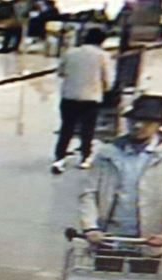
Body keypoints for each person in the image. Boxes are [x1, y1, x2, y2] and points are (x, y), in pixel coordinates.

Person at [79, 95, 162, 251]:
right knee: (104, 272)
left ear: (159, 125)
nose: (138, 126)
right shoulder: (107, 153)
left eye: (147, 122)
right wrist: (90, 227)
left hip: (149, 238)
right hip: (108, 237)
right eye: (133, 120)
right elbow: (89, 192)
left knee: (142, 274)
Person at [51, 28, 113, 174]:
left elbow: (60, 72)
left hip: (69, 96)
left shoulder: (70, 52)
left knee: (67, 128)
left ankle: (59, 157)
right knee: (88, 129)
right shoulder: (103, 56)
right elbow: (108, 81)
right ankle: (85, 157)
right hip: (91, 98)